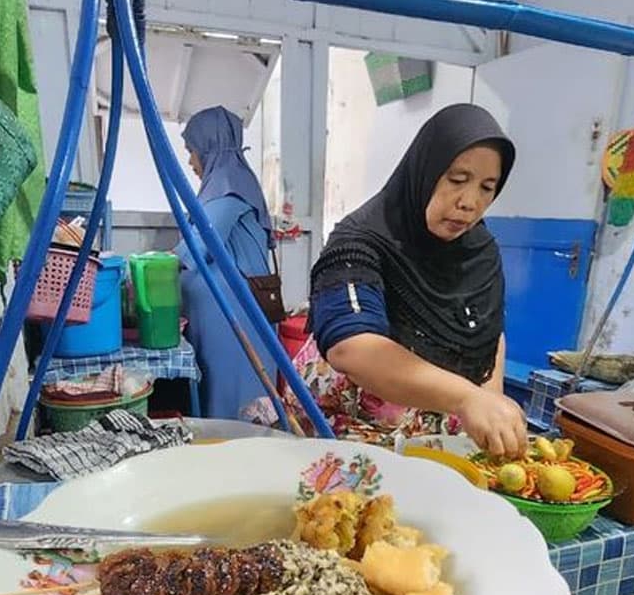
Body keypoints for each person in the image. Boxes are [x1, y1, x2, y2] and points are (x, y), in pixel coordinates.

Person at [288, 103, 528, 456]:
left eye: (487, 187)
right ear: (425, 171)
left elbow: (489, 331)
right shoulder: (360, 240)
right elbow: (351, 346)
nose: (470, 202)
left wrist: (490, 404)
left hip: (435, 426)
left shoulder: (479, 250)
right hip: (345, 425)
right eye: (457, 180)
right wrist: (466, 397)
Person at [174, 106, 278, 420]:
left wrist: (154, 264)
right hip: (223, 316)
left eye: (192, 151)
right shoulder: (221, 187)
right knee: (219, 393)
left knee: (235, 402)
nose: (191, 161)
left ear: (208, 147)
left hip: (234, 318)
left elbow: (199, 245)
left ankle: (241, 458)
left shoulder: (229, 185)